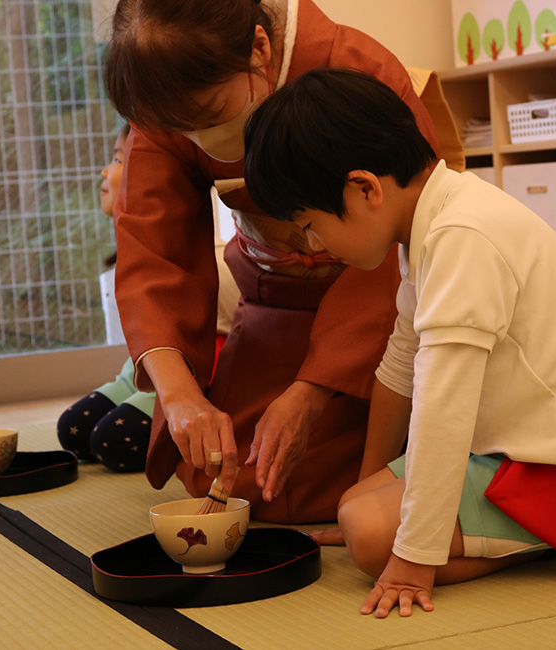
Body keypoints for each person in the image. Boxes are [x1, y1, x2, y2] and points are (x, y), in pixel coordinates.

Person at [243, 68, 556, 617]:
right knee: (354, 507)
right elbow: (400, 365)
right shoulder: (431, 224)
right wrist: (370, 487)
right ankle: (508, 530)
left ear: (365, 189)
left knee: (371, 538)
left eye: (311, 224)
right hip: (524, 447)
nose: (314, 246)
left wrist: (414, 555)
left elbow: (443, 409)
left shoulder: (462, 236)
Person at [104, 0, 463, 522]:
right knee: (229, 472)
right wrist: (181, 395)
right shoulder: (165, 92)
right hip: (274, 305)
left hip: (376, 316)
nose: (199, 142)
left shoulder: (354, 66)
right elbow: (153, 252)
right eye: (180, 130)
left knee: (349, 486)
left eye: (208, 119)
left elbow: (401, 246)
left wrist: (312, 393)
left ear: (259, 47)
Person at [57, 123, 238, 471]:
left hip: (189, 373)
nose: (104, 170)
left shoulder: (213, 256)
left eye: (118, 159)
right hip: (138, 373)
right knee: (72, 430)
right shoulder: (131, 249)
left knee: (110, 442)